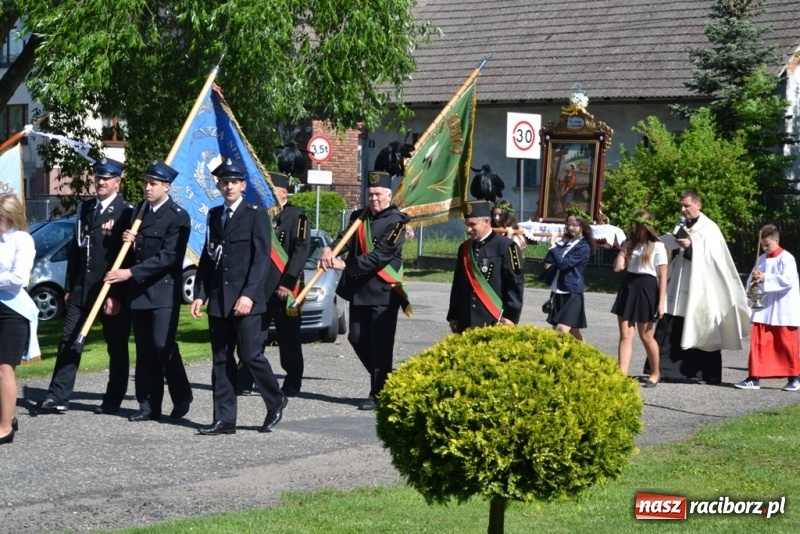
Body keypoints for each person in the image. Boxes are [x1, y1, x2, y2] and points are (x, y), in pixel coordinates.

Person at [191, 160, 287, 434]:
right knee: (221, 360)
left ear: (242, 185)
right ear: (219, 186)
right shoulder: (214, 215)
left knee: (251, 355)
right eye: (224, 182)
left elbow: (260, 261)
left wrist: (248, 296)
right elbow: (209, 259)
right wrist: (201, 293)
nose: (229, 186)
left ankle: (276, 399)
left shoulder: (256, 215)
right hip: (220, 300)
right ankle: (224, 419)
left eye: (234, 182)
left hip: (247, 300)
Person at [36, 158, 134, 415]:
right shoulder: (85, 209)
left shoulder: (127, 213)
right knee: (69, 340)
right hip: (82, 289)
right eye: (98, 177)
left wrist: (117, 295)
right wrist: (70, 287)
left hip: (109, 291)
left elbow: (127, 259)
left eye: (107, 178)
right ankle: (58, 395)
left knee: (116, 345)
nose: (101, 182)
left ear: (117, 181)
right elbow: (77, 251)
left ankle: (113, 399)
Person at [104, 160, 193, 421]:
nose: (147, 187)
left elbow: (168, 257)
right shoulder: (139, 212)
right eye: (145, 182)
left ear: (166, 186)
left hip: (163, 291)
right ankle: (148, 405)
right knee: (144, 350)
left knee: (161, 345)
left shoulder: (178, 216)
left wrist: (129, 273)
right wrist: (129, 242)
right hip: (139, 292)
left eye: (153, 183)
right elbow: (136, 252)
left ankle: (182, 395)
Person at [318, 170, 410, 411]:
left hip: (383, 291)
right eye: (370, 194)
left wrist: (345, 265)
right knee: (356, 337)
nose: (374, 199)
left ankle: (378, 393)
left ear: (388, 195)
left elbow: (381, 256)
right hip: (359, 291)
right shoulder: (359, 217)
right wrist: (329, 250)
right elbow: (343, 241)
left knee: (381, 344)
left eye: (378, 194)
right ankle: (390, 381)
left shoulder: (397, 222)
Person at [649, 190, 749, 384]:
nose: (683, 209)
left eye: (686, 205)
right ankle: (667, 371)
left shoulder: (710, 228)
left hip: (701, 288)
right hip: (679, 281)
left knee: (702, 326)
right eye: (681, 205)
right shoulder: (680, 224)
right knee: (671, 323)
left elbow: (714, 260)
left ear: (698, 205)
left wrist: (691, 247)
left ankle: (705, 373)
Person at [237, 170, 310, 398]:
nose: (267, 196)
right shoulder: (258, 215)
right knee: (254, 336)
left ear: (283, 192)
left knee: (288, 338)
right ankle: (246, 379)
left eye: (272, 191)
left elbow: (300, 252)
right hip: (259, 287)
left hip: (284, 288)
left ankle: (292, 381)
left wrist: (287, 283)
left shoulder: (298, 217)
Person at [734, 225, 800, 391]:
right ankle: (754, 377)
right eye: (762, 244)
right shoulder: (761, 259)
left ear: (776, 241)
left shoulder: (787, 258)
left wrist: (765, 278)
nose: (764, 247)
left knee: (786, 343)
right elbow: (751, 281)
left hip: (782, 308)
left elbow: (788, 281)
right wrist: (755, 283)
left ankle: (795, 377)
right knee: (759, 344)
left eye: (767, 244)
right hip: (764, 309)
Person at [448, 200, 524, 333]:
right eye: (467, 225)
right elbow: (458, 285)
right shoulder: (464, 248)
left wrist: (511, 316)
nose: (468, 229)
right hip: (466, 319)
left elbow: (515, 285)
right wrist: (454, 315)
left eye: (472, 225)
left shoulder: (508, 247)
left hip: (493, 319)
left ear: (487, 222)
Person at [610, 211, 668, 386]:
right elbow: (618, 268)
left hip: (647, 288)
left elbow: (663, 276)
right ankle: (622, 374)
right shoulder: (630, 244)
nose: (634, 228)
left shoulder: (657, 246)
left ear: (646, 226)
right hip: (629, 286)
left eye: (638, 225)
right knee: (626, 334)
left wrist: (661, 303)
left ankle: (655, 372)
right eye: (633, 225)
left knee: (646, 335)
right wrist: (623, 250)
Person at [0, 194, 38, 445]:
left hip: (14, 311)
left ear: (10, 216)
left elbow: (18, 278)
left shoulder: (23, 240)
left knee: (4, 369)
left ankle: (5, 428)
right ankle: (6, 415)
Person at [540, 212, 595, 341]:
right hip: (558, 289)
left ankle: (559, 357)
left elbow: (563, 264)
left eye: (574, 225)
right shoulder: (567, 241)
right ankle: (585, 355)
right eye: (568, 224)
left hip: (572, 291)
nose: (570, 228)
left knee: (561, 330)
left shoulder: (584, 247)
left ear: (583, 226)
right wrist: (558, 244)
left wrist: (553, 245)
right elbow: (548, 262)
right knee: (571, 331)